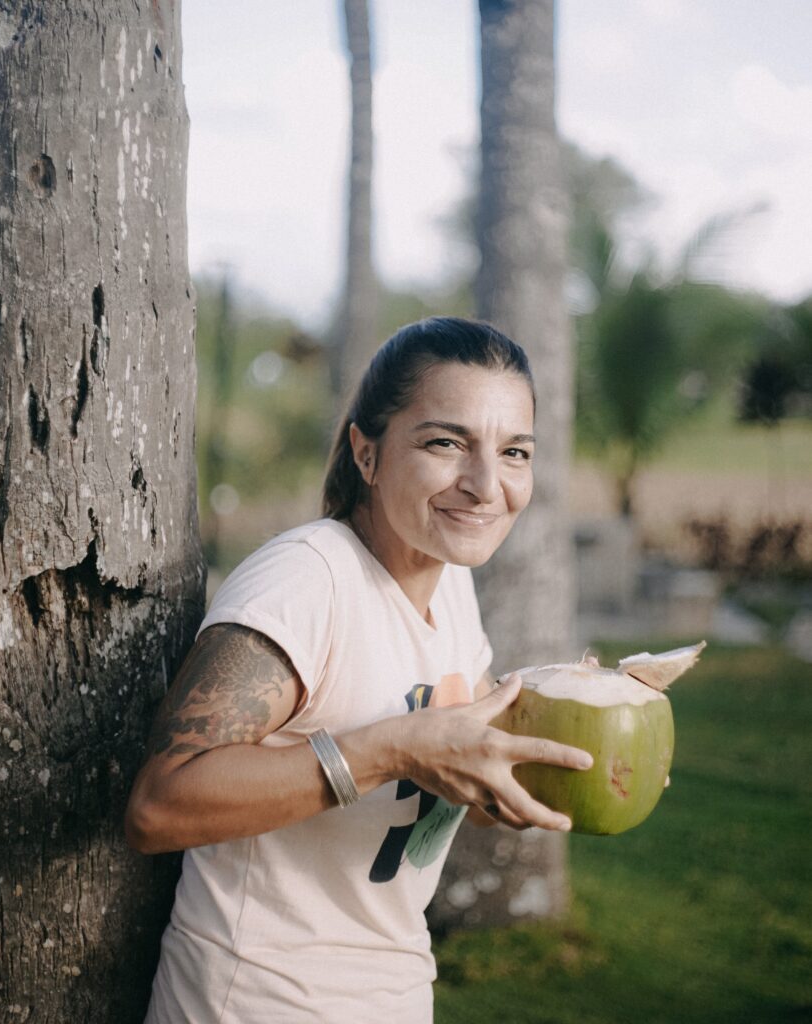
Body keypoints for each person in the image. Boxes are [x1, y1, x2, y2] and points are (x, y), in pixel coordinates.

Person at [125, 316, 593, 1024]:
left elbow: (429, 783)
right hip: (257, 1002)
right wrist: (390, 747)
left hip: (392, 992)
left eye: (515, 452)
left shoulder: (450, 581)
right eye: (445, 443)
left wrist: (577, 742)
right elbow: (160, 805)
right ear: (365, 453)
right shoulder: (308, 579)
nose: (485, 485)